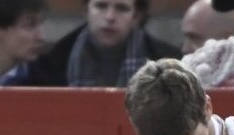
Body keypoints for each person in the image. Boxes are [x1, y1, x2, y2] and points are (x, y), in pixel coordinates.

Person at [34, 0, 181, 87]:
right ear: (86, 11)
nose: (110, 17)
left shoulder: (167, 63)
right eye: (101, 6)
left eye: (121, 8)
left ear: (136, 16)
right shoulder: (52, 62)